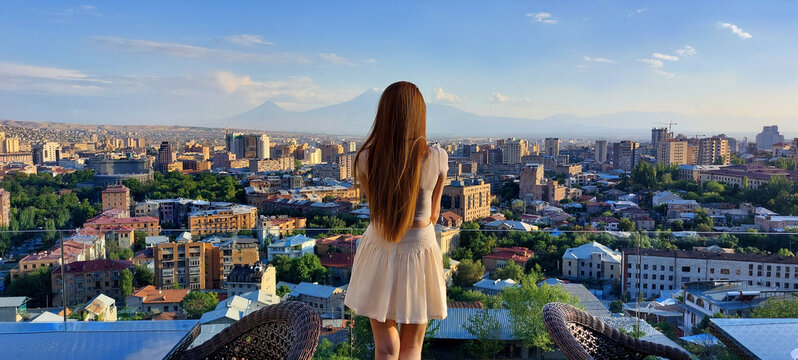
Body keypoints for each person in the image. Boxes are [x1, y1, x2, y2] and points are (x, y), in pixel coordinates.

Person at [344, 81, 448, 360]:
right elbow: (434, 216)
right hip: (419, 250)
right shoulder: (437, 157)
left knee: (386, 347)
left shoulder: (365, 157)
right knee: (412, 345)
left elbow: (378, 211)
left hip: (379, 247)